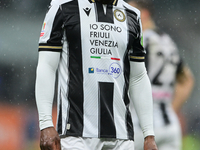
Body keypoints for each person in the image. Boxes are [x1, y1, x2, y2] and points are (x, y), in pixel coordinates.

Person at [35, 0, 158, 149]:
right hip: (76, 135)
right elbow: (47, 66)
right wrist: (46, 123)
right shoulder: (62, 7)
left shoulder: (133, 15)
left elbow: (138, 77)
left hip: (122, 137)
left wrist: (149, 134)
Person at [127, 0, 195, 150]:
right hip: (169, 125)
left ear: (143, 14)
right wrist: (170, 108)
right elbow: (187, 79)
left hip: (141, 126)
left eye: (130, 11)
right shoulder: (167, 41)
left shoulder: (139, 40)